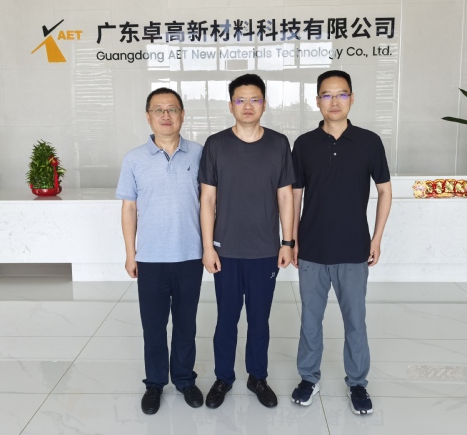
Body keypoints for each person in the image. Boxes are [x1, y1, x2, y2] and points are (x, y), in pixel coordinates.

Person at [290, 70, 392, 415]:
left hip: (353, 248)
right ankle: (308, 378)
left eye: (342, 94)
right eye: (327, 95)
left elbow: (384, 191)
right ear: (317, 100)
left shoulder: (369, 142)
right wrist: (291, 240)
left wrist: (376, 237)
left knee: (355, 320)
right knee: (310, 321)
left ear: (352, 98)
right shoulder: (304, 144)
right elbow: (295, 195)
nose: (334, 101)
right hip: (312, 249)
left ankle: (358, 383)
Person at [199, 73, 295, 409]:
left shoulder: (279, 143)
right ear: (231, 106)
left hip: (265, 250)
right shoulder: (216, 144)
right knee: (226, 319)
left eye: (255, 99)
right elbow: (207, 200)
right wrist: (208, 246)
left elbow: (286, 196)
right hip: (225, 250)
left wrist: (287, 242)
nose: (248, 106)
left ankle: (258, 376)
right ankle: (223, 377)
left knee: (259, 319)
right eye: (241, 100)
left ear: (264, 104)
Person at [116, 87, 204, 415]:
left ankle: (184, 379)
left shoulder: (199, 153)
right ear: (148, 116)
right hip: (150, 258)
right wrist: (130, 253)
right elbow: (129, 208)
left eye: (172, 109)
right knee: (153, 326)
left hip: (190, 255)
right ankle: (154, 383)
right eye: (158, 110)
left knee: (185, 324)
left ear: (182, 115)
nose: (166, 116)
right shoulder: (134, 158)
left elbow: (211, 203)